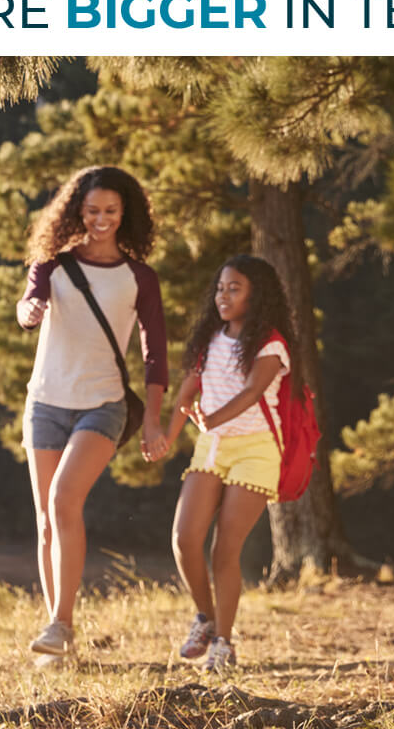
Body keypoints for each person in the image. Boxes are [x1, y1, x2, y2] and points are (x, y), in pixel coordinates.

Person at [15, 165, 169, 657]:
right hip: (45, 402)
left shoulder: (139, 277)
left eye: (111, 211)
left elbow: (155, 353)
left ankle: (61, 625)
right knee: (45, 520)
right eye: (92, 210)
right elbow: (28, 303)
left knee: (64, 501)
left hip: (103, 405)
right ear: (77, 211)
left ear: (126, 215)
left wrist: (152, 418)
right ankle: (56, 628)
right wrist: (29, 313)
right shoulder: (53, 263)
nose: (101, 219)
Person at [163, 254, 299, 672]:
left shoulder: (271, 344)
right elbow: (187, 393)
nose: (223, 295)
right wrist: (165, 438)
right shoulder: (209, 338)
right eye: (220, 288)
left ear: (256, 294)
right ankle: (205, 619)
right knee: (185, 538)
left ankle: (224, 643)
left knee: (225, 548)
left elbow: (253, 393)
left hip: (257, 449)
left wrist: (212, 418)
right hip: (213, 446)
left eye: (234, 288)